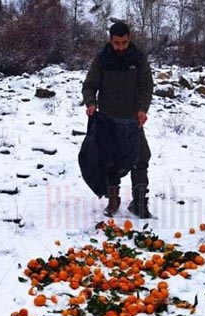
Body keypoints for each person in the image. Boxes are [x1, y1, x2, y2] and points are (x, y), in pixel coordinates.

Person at [82, 21, 154, 218]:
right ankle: (113, 199)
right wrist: (90, 103)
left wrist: (142, 109)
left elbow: (146, 86)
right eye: (116, 43)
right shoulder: (101, 60)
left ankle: (139, 202)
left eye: (123, 42)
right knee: (111, 160)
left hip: (133, 120)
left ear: (129, 39)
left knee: (141, 158)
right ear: (110, 40)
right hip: (108, 121)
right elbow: (89, 85)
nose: (120, 47)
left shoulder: (138, 59)